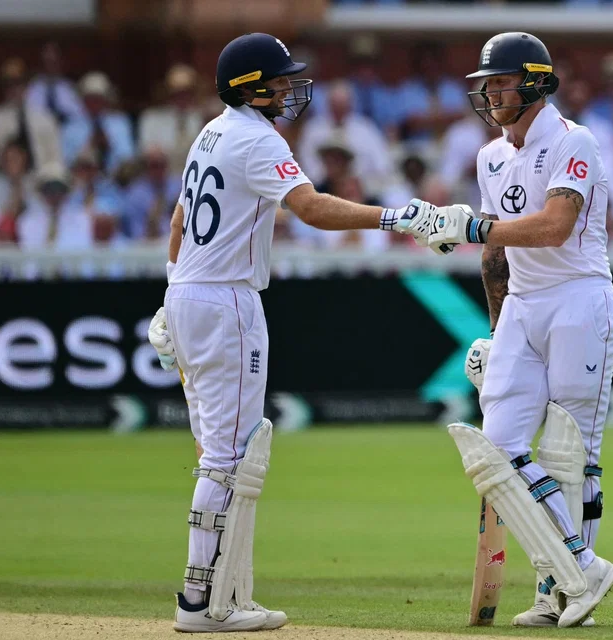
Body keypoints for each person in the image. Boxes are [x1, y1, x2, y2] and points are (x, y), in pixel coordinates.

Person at [145, 32, 442, 634]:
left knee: (217, 454)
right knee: (228, 458)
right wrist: (395, 215)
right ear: (251, 88)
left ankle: (221, 595)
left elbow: (179, 217)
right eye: (278, 81)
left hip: (189, 294)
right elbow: (310, 208)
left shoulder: (210, 132)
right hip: (226, 300)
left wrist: (174, 285)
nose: (288, 89)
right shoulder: (257, 139)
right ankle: (201, 603)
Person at [419, 32, 613, 628]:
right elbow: (495, 257)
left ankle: (557, 594)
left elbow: (555, 226)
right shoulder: (490, 157)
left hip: (580, 300)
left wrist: (476, 228)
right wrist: (492, 331)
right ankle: (579, 568)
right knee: (497, 454)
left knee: (571, 454)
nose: (490, 93)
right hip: (522, 307)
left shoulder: (571, 140)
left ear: (534, 83)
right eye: (486, 84)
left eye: (501, 82)